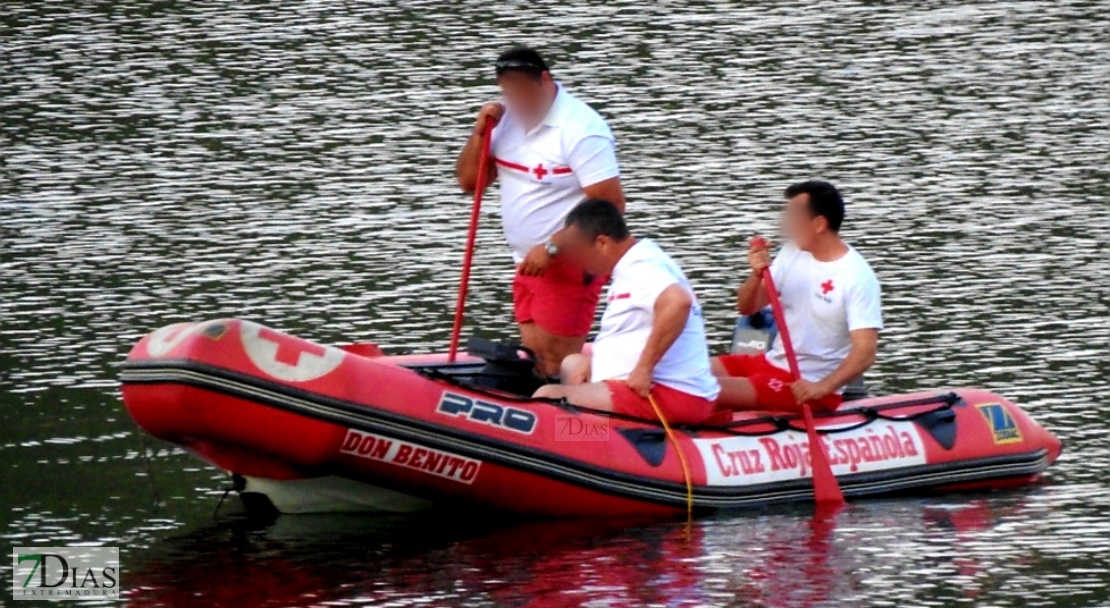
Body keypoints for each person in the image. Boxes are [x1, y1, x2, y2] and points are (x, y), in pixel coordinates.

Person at [455, 46, 626, 378]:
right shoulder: (504, 122)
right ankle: (544, 419)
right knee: (536, 358)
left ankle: (579, 430)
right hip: (526, 262)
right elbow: (468, 181)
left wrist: (551, 247)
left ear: (545, 81)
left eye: (522, 91)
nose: (516, 101)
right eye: (509, 92)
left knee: (558, 363)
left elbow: (610, 206)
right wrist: (479, 134)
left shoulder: (581, 129)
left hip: (569, 262)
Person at [533, 199, 719, 425]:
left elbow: (678, 302)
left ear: (601, 243)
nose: (577, 261)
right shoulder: (636, 260)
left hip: (669, 393)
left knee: (546, 398)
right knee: (572, 362)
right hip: (637, 385)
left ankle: (595, 442)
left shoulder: (639, 267)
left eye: (578, 251)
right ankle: (590, 439)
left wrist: (644, 369)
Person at [714, 180, 882, 413]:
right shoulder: (792, 251)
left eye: (794, 216)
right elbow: (746, 308)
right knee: (686, 374)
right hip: (772, 362)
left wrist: (820, 388)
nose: (786, 224)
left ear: (819, 224)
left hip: (805, 385)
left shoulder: (857, 277)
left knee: (702, 388)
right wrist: (756, 275)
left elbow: (865, 353)